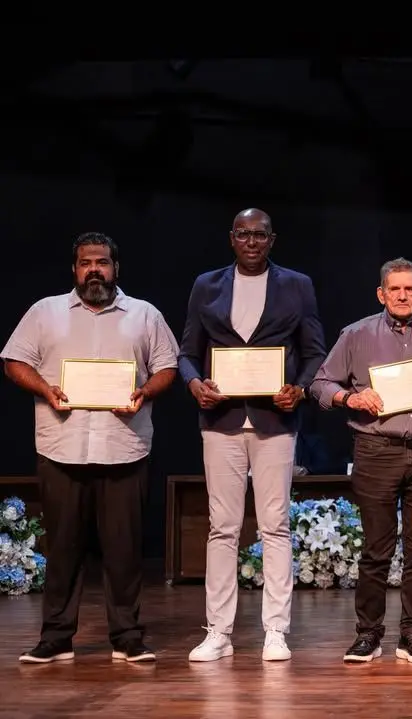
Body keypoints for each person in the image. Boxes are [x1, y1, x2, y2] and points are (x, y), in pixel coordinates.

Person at [3, 232, 178, 664]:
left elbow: (167, 367)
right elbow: (13, 361)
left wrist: (143, 393)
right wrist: (45, 388)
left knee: (124, 549)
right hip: (62, 447)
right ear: (75, 269)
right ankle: (57, 637)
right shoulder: (45, 312)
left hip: (124, 447)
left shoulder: (145, 314)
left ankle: (127, 636)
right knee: (62, 547)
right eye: (85, 263)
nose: (94, 270)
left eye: (102, 262)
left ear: (116, 268)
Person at [179, 208, 327, 662]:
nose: (251, 241)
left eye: (260, 234)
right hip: (221, 422)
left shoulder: (297, 285)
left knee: (275, 526)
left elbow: (314, 352)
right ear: (231, 238)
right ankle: (218, 632)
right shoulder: (206, 284)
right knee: (222, 528)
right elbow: (187, 352)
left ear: (272, 239)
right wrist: (193, 384)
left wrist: (299, 390)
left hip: (275, 423)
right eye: (243, 234)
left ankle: (275, 631)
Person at [309, 258, 412, 664]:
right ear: (381, 294)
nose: (402, 295)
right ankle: (368, 634)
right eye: (394, 289)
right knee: (377, 549)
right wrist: (351, 398)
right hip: (377, 450)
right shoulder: (357, 334)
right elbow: (320, 384)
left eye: (409, 289)